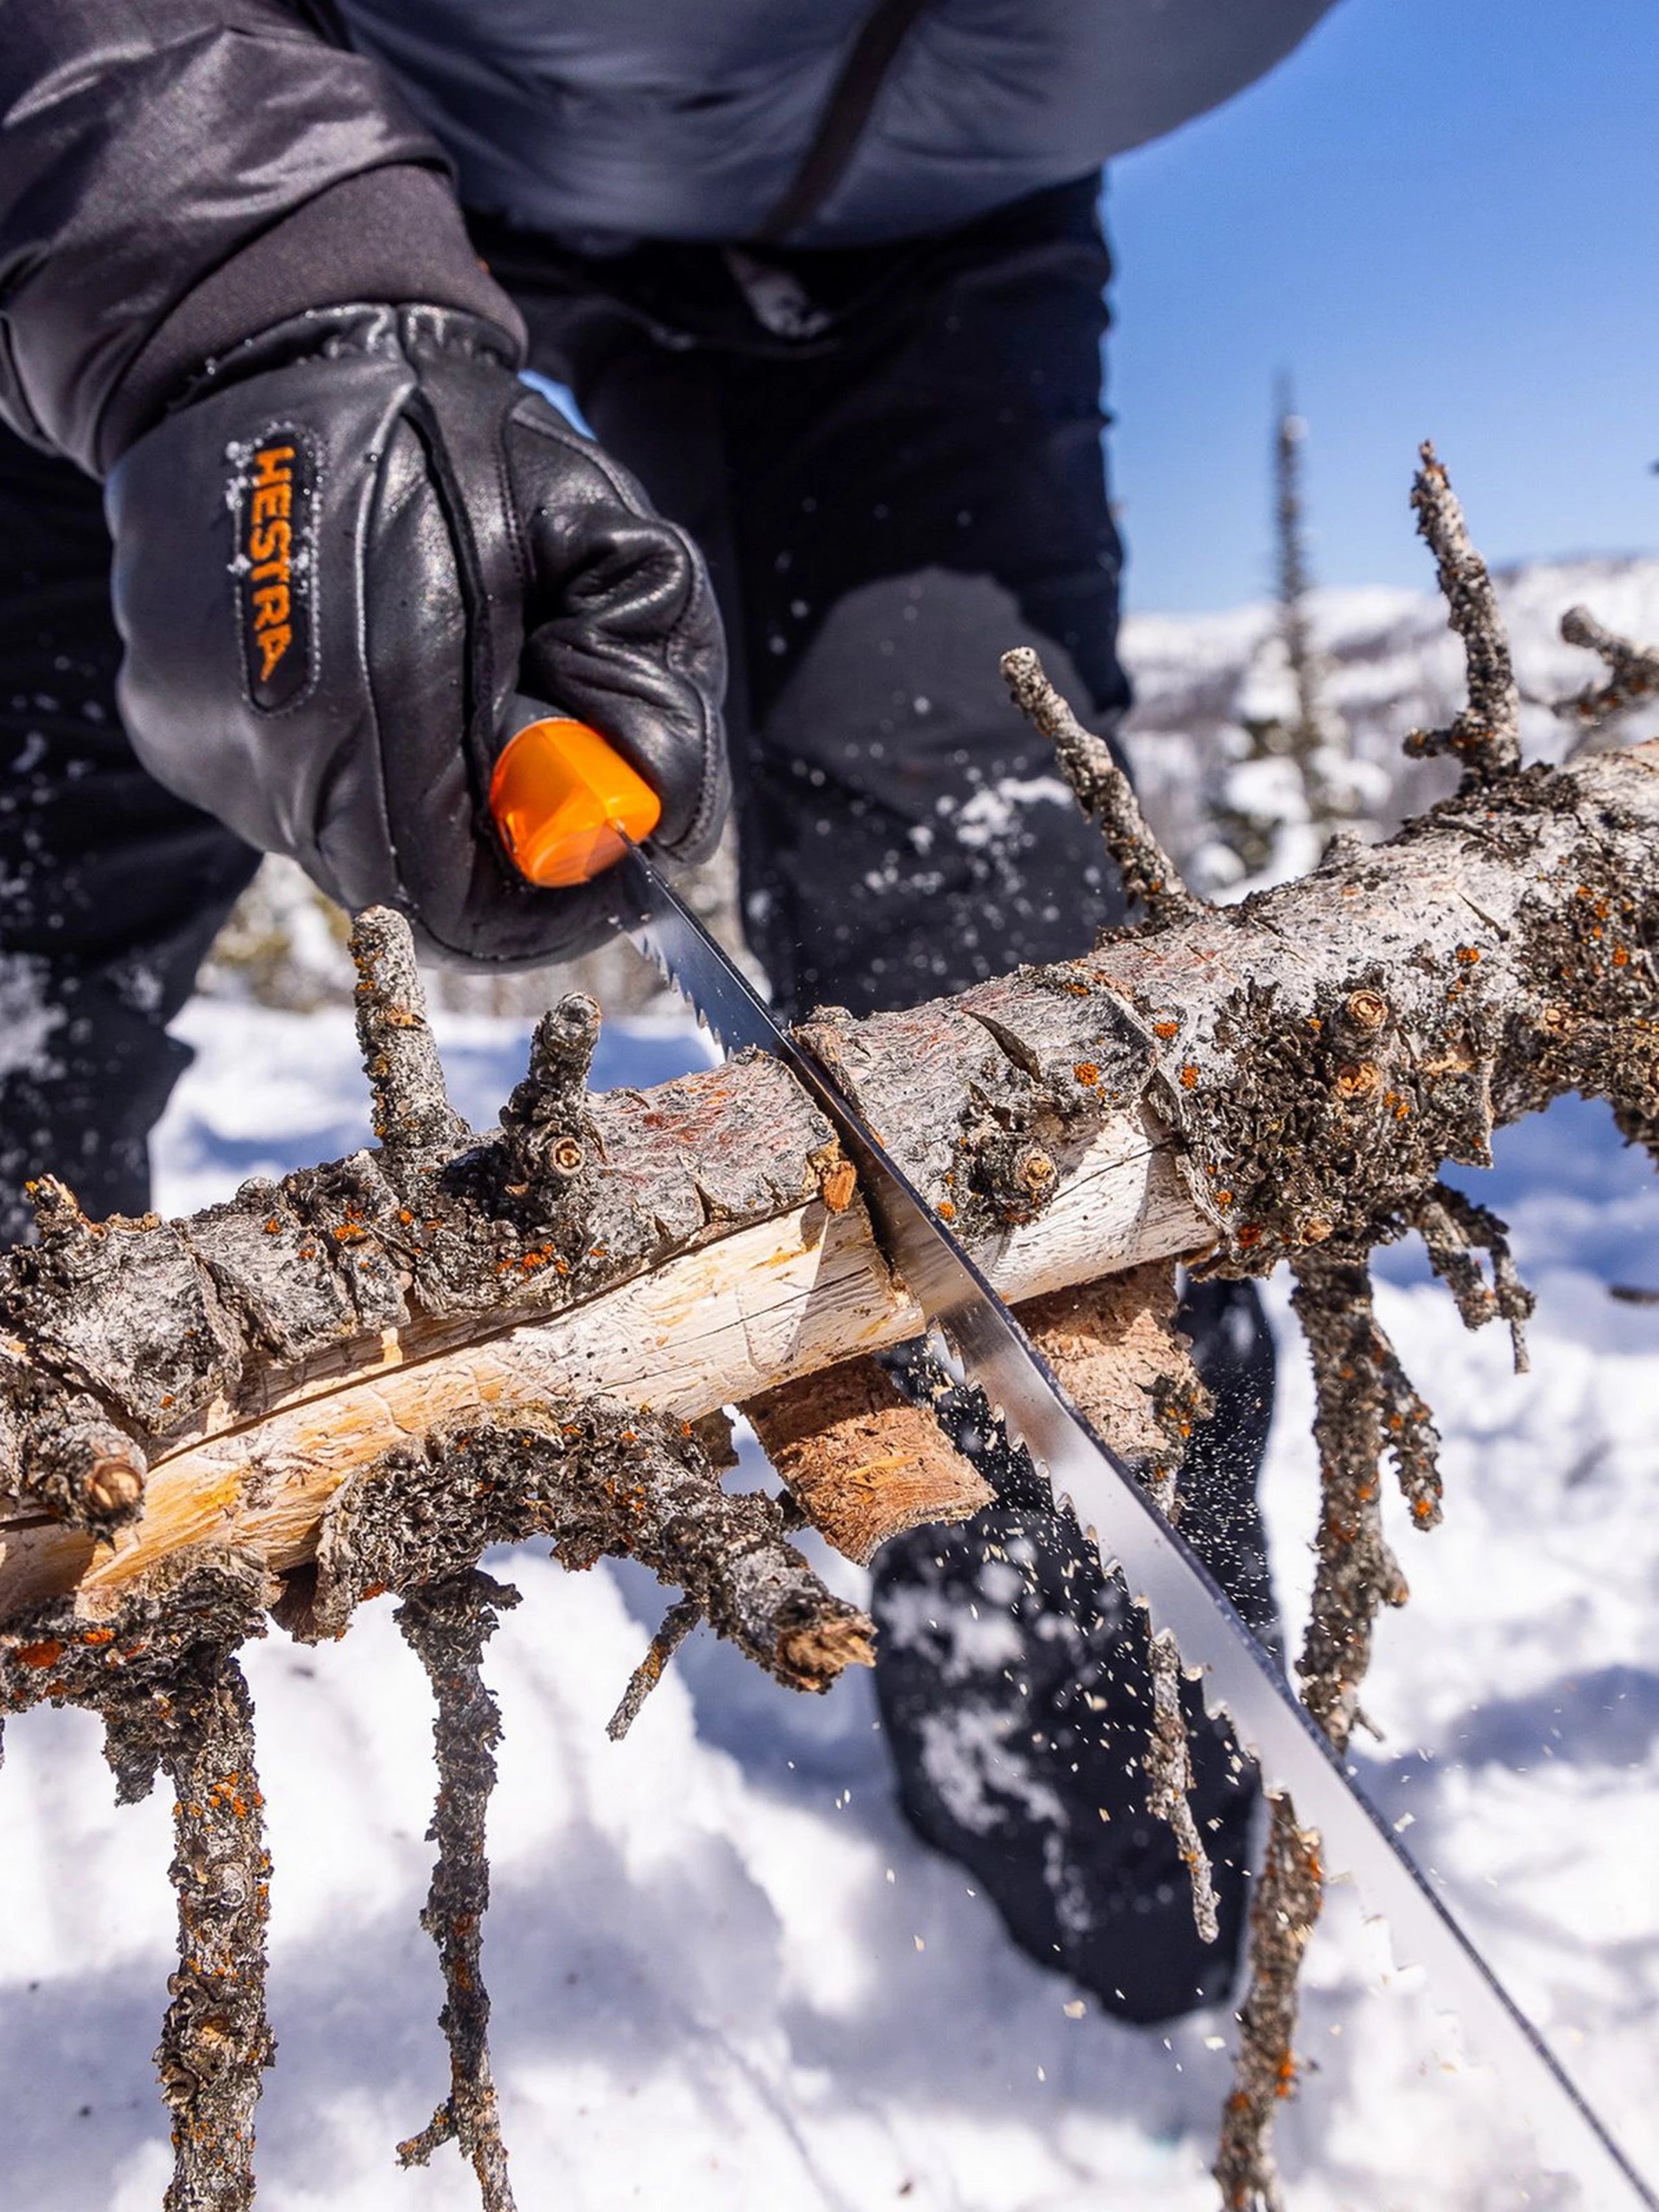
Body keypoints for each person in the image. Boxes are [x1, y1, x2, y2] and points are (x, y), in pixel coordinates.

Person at [0, 0, 1304, 2021]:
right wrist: (230, 286)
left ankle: (1119, 1874)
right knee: (24, 931)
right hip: (221, 156)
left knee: (1028, 1083)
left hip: (919, 250)